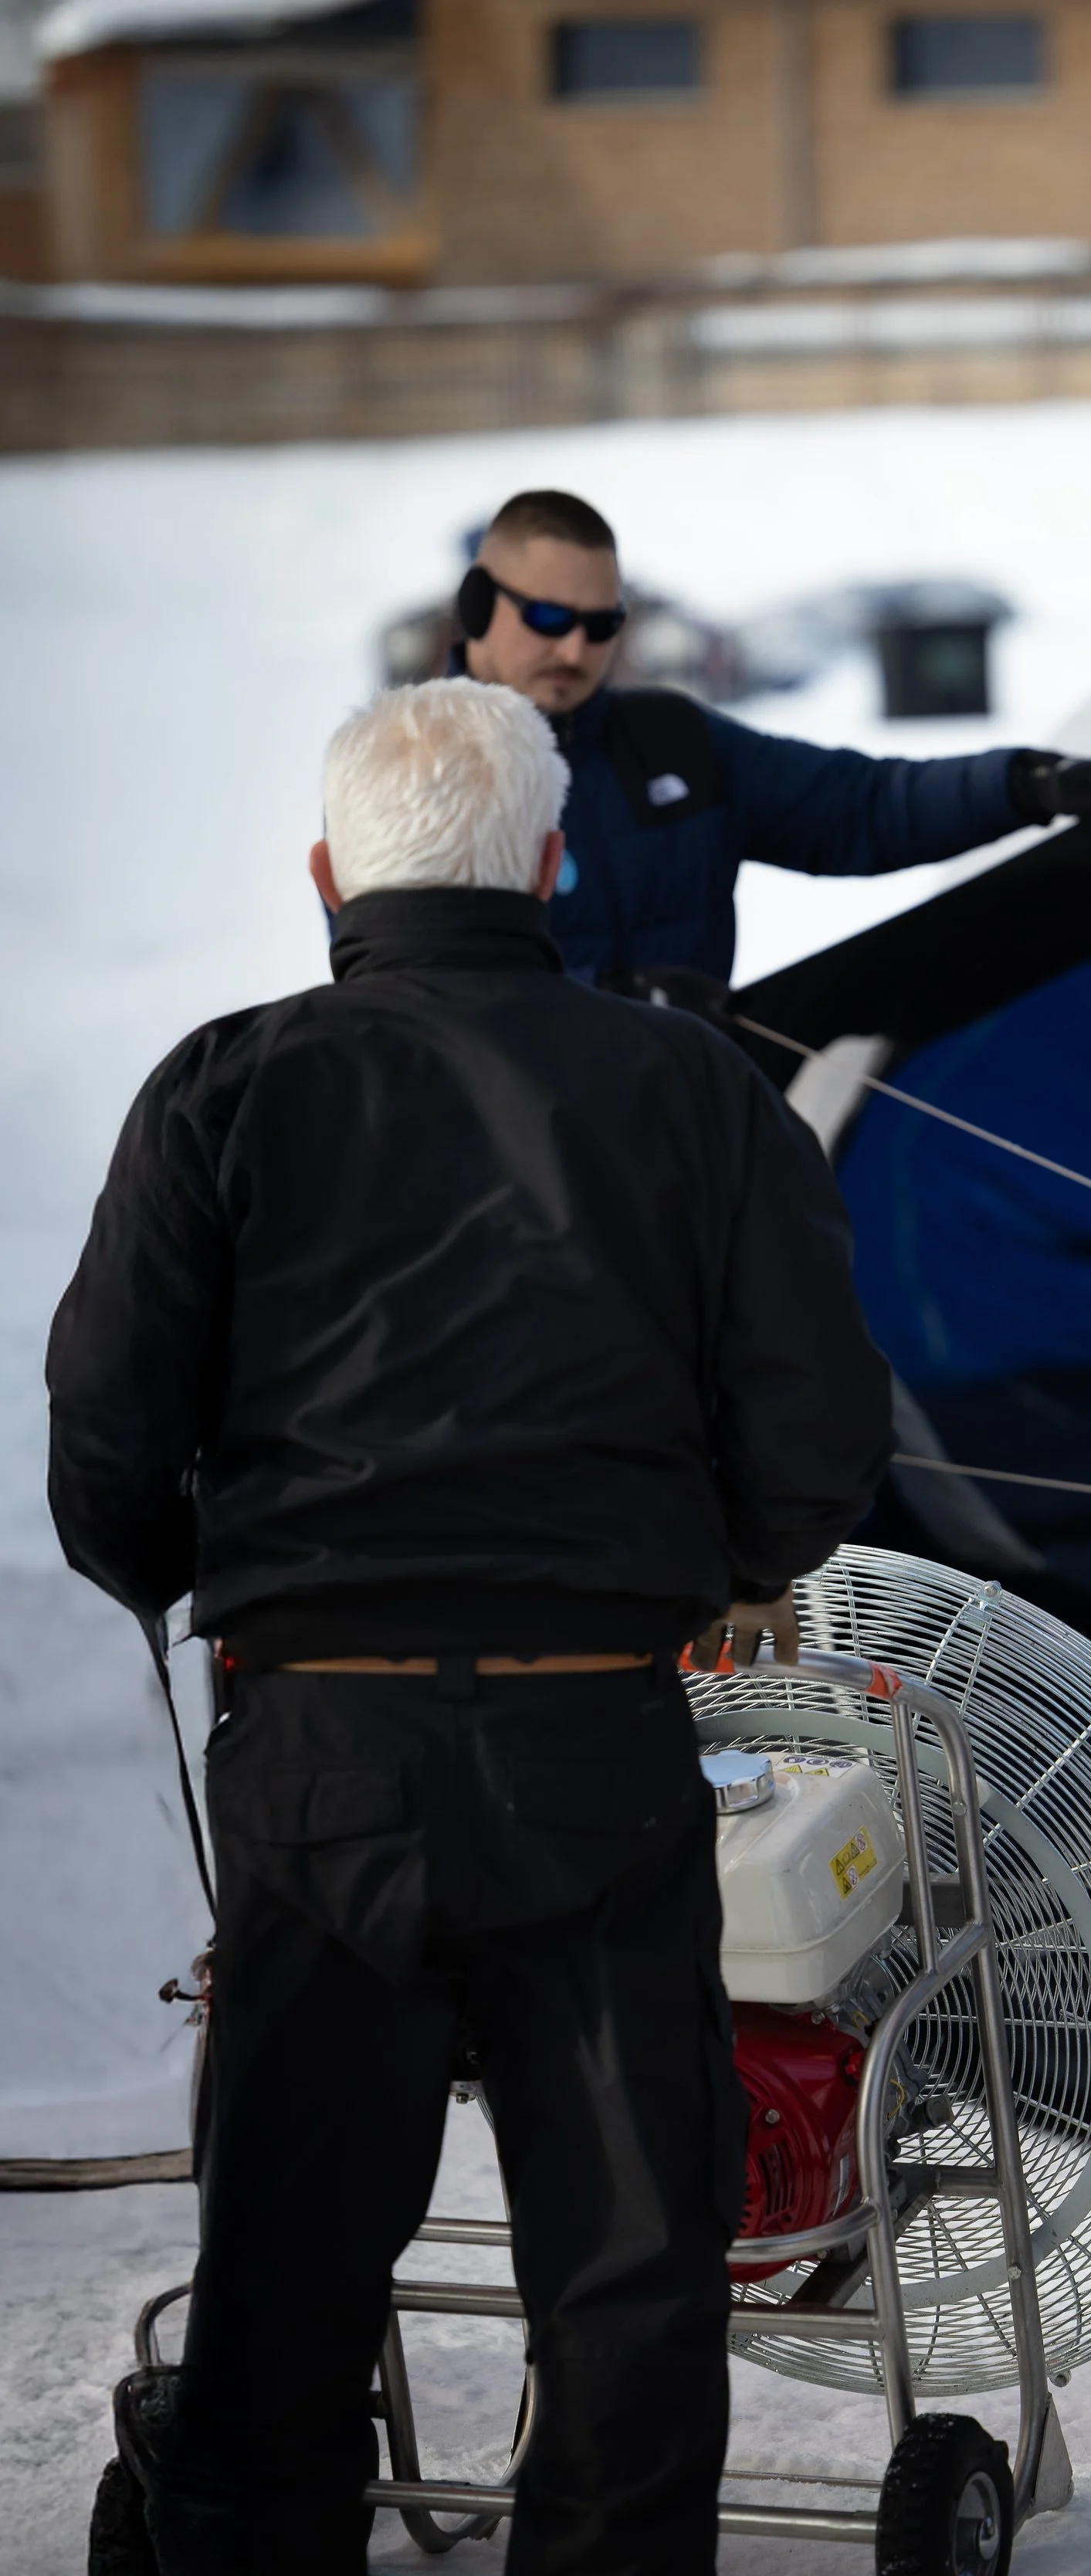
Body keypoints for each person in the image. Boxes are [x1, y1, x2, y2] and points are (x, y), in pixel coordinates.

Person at [46, 679, 894, 2575]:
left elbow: (103, 1431)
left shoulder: (223, 1083)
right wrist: (717, 1558)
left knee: (288, 2252)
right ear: (554, 859)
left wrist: (201, 1569)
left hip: (322, 1747)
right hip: (595, 1735)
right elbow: (821, 1422)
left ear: (333, 872)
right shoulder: (691, 1086)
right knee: (629, 2266)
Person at [452, 486, 1091, 988]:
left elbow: (865, 808)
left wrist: (1024, 785)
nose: (576, 649)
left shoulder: (670, 741)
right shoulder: (403, 768)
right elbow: (419, 992)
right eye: (548, 617)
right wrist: (618, 999)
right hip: (509, 1168)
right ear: (479, 604)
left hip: (686, 1130)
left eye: (601, 624)